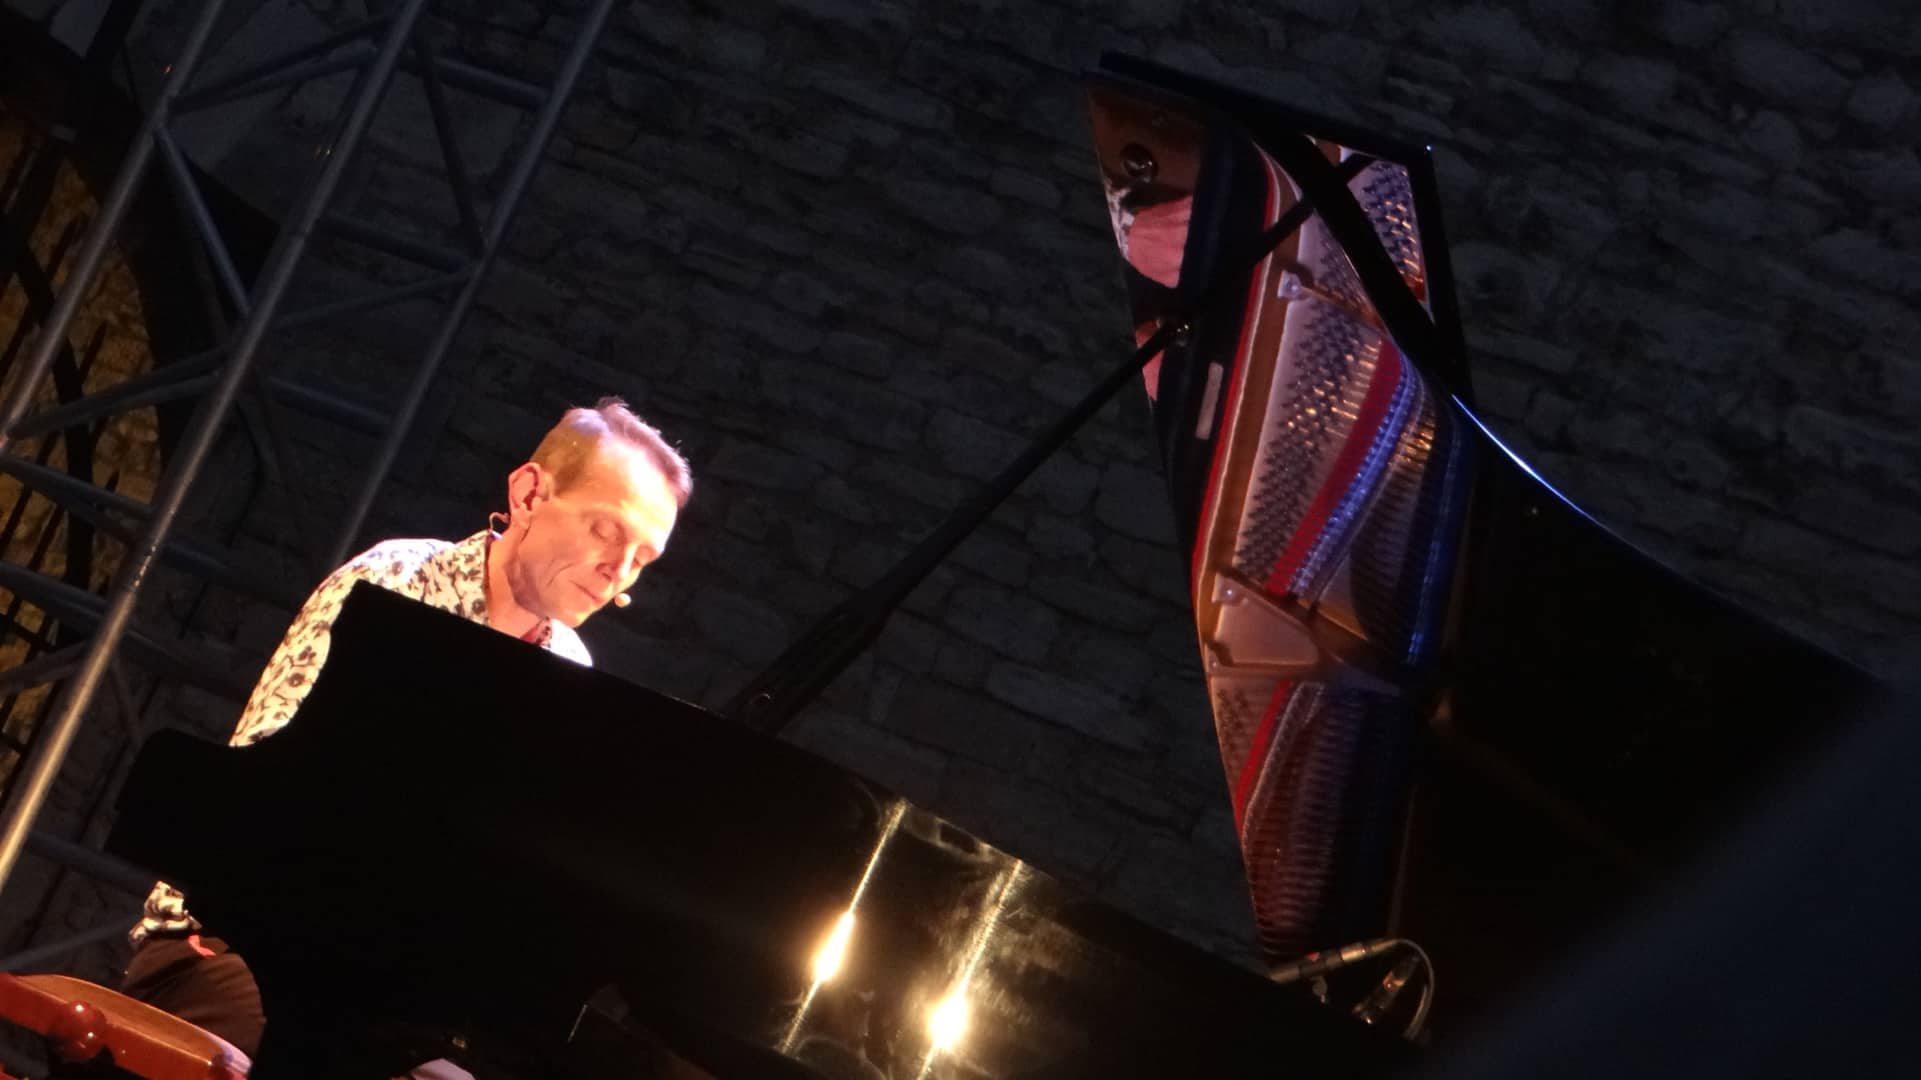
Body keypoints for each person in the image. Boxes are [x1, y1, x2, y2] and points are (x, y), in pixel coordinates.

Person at [117, 396, 692, 1063]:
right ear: (529, 494)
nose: (619, 573)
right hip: (232, 943)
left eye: (643, 558)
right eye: (606, 530)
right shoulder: (398, 582)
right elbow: (262, 816)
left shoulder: (572, 671)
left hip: (395, 997)